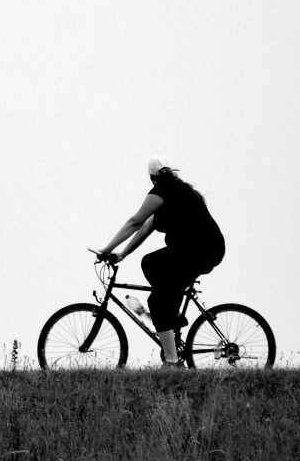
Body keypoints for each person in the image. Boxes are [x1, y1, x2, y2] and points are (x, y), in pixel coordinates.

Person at [95, 157, 226, 367]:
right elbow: (146, 228)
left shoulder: (164, 190)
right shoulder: (178, 191)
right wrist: (122, 254)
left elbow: (135, 222)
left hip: (198, 251)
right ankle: (171, 315)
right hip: (201, 249)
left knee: (157, 302)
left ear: (152, 178)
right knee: (151, 263)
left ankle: (172, 362)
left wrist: (107, 249)